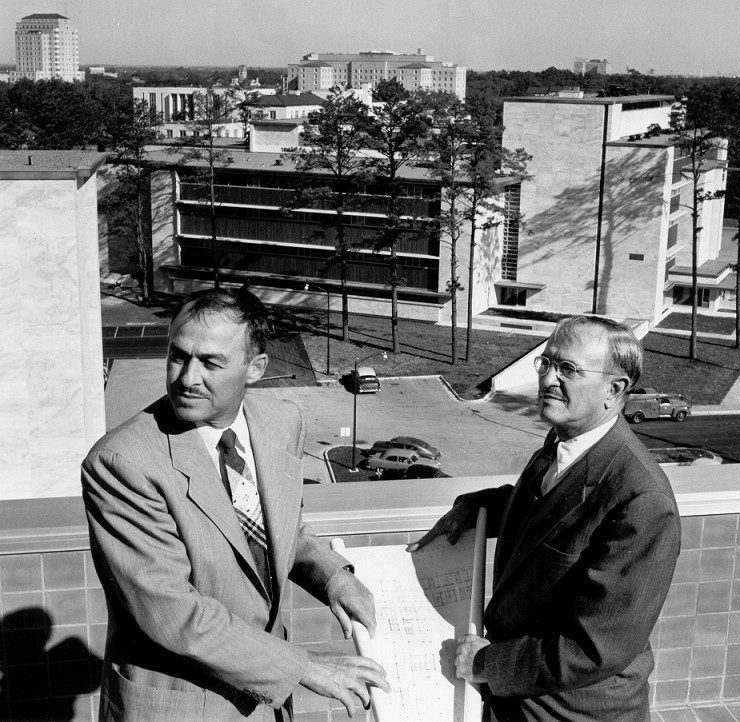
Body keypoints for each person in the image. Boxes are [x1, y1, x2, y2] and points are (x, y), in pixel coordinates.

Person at [82, 287, 389, 722]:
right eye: (178, 356)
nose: (187, 378)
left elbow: (273, 524)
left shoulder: (283, 422)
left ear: (255, 368)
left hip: (262, 704)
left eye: (210, 363)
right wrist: (304, 667)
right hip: (179, 707)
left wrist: (334, 577)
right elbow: (172, 612)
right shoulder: (122, 462)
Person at [408, 315, 680, 721]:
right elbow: (553, 512)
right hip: (523, 694)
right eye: (547, 363)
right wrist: (479, 507)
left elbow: (595, 647)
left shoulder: (642, 500)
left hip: (570, 710)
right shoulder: (566, 437)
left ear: (614, 390)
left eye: (569, 369)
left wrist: (486, 664)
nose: (549, 379)